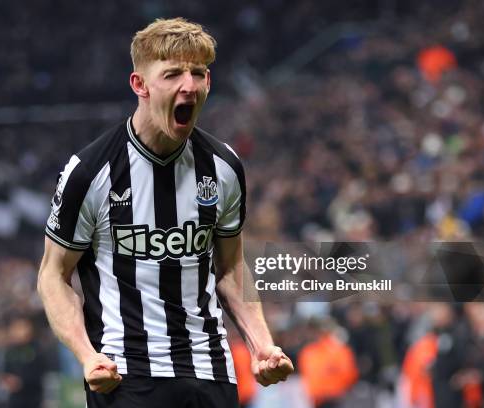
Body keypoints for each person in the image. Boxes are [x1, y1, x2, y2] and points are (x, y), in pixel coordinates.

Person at [37, 17, 293, 408]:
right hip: (125, 375)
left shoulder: (224, 168)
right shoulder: (90, 172)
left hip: (211, 372)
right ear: (140, 85)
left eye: (198, 73)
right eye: (172, 74)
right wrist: (87, 356)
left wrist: (262, 344)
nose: (188, 85)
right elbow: (53, 275)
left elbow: (230, 268)